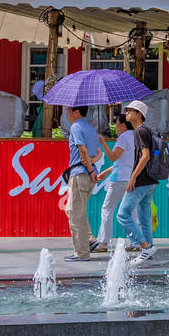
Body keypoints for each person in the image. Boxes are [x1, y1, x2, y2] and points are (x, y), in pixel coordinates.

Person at [115, 99, 158, 265]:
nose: (126, 113)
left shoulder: (140, 131)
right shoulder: (147, 130)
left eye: (130, 110)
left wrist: (132, 177)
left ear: (139, 114)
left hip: (141, 181)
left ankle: (145, 247)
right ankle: (149, 248)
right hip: (151, 180)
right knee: (144, 217)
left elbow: (145, 156)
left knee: (122, 215)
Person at [90, 110, 135, 253]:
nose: (115, 126)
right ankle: (136, 242)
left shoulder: (123, 138)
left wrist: (103, 142)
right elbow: (124, 160)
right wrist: (106, 171)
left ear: (123, 124)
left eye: (116, 123)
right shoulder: (135, 136)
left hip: (119, 179)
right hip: (130, 178)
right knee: (131, 211)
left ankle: (103, 242)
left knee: (107, 209)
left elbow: (114, 157)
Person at [62, 104, 101, 261]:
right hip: (87, 174)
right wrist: (92, 166)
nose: (67, 113)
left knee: (75, 213)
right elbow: (99, 153)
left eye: (69, 110)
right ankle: (90, 240)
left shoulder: (76, 127)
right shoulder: (91, 128)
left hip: (80, 174)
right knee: (74, 210)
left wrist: (90, 169)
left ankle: (81, 253)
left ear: (76, 112)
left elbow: (82, 150)